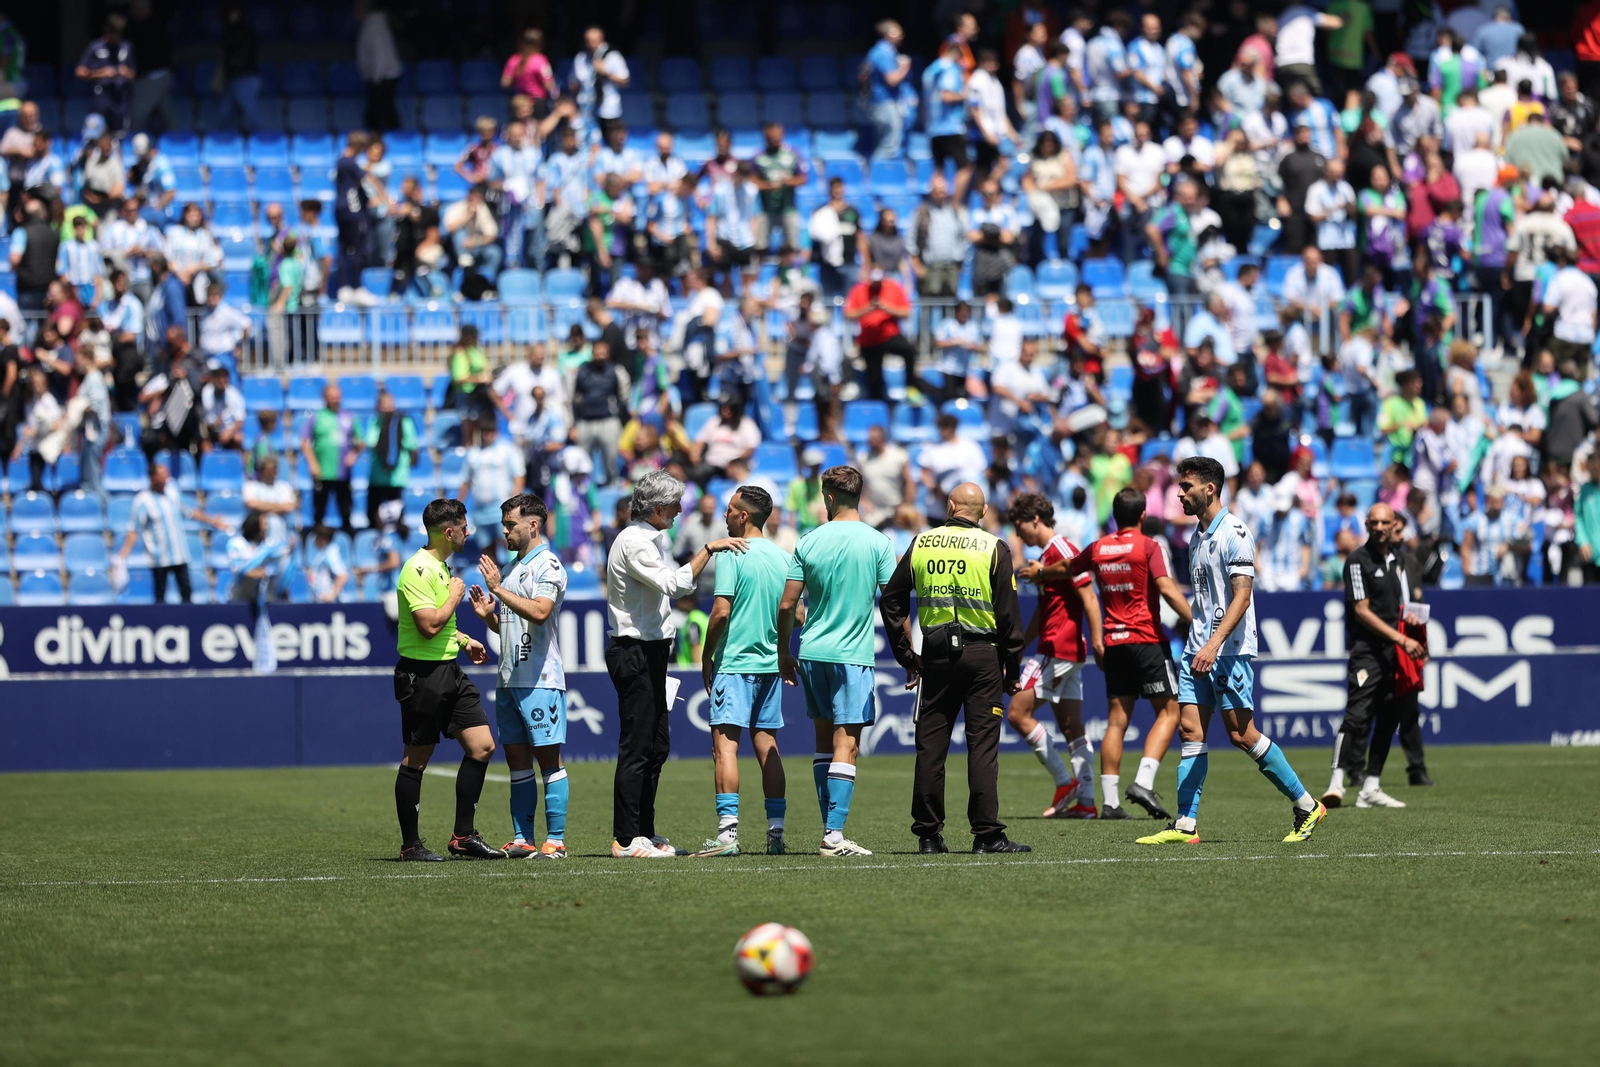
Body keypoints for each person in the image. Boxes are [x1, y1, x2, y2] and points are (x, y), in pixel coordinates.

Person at [1136, 456, 1328, 845]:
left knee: (1243, 735)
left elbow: (1242, 596)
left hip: (1228, 651)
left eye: (1186, 486)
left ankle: (1307, 805)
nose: (1179, 494)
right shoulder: (1196, 536)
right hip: (1198, 649)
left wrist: (1213, 642)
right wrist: (1198, 638)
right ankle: (1185, 825)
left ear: (1209, 489)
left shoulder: (1235, 532)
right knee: (1191, 731)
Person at [1025, 486, 1194, 820]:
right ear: (1143, 515)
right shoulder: (1149, 546)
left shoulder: (1099, 547)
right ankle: (1144, 781)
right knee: (1170, 713)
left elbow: (1068, 567)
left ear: (1115, 517)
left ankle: (1111, 803)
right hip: (1146, 640)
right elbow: (1165, 587)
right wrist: (1195, 620)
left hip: (1113, 644)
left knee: (1117, 721)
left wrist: (1040, 573)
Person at [880, 481, 1030, 855]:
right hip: (983, 657)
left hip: (934, 657)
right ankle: (986, 835)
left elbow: (891, 601)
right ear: (983, 512)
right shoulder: (993, 547)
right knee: (982, 746)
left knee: (930, 747)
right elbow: (1010, 617)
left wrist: (906, 655)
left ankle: (928, 836)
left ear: (949, 506)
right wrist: (1013, 670)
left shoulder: (920, 543)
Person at [605, 469, 748, 859]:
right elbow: (676, 585)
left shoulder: (652, 538)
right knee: (637, 747)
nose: (680, 510)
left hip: (650, 650)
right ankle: (625, 838)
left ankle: (644, 833)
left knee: (656, 746)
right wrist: (709, 549)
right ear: (657, 508)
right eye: (674, 505)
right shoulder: (634, 542)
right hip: (633, 649)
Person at [778, 466, 898, 857]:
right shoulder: (879, 543)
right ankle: (833, 836)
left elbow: (787, 604)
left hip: (812, 652)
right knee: (847, 745)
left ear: (829, 497)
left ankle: (830, 830)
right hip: (852, 655)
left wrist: (784, 652)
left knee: (823, 743)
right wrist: (909, 655)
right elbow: (894, 605)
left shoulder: (808, 541)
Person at [390, 498, 499, 862]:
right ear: (448, 532)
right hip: (422, 675)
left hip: (449, 669)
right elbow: (428, 626)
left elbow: (443, 629)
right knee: (417, 759)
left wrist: (465, 641)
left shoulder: (441, 567)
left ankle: (462, 836)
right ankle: (410, 847)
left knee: (482, 745)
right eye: (464, 527)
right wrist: (454, 597)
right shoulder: (417, 570)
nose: (469, 532)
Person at [689, 486, 791, 857]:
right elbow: (794, 614)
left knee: (724, 748)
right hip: (769, 665)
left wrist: (706, 656)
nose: (726, 515)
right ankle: (776, 834)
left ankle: (727, 836)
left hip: (734, 663)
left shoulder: (733, 551)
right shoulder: (784, 559)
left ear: (743, 516)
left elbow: (720, 612)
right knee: (768, 746)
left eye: (731, 510)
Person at [466, 494, 570, 860]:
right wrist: (488, 617)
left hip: (540, 679)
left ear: (533, 525)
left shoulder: (548, 565)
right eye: (504, 525)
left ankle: (555, 841)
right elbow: (510, 625)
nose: (505, 532)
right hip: (509, 679)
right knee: (517, 763)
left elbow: (540, 612)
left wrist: (497, 589)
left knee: (548, 762)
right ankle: (523, 838)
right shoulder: (512, 568)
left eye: (511, 525)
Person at [1324, 503, 1432, 810]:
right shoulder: (1358, 561)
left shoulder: (1400, 559)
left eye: (1386, 522)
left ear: (1394, 524)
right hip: (1367, 652)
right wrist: (1400, 638)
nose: (1380, 527)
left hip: (1395, 652)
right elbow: (1361, 610)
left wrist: (1411, 627)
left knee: (1389, 718)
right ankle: (1336, 783)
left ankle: (1371, 786)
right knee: (1356, 716)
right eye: (1374, 522)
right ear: (1367, 525)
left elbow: (1400, 603)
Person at [1002, 493, 1103, 819]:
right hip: (1064, 649)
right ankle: (1086, 803)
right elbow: (1045, 612)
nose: (1018, 535)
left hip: (1059, 647)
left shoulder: (1062, 551)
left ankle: (1064, 782)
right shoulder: (1048, 557)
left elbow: (1089, 597)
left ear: (1035, 519)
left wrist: (1098, 640)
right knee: (1072, 727)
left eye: (1020, 527)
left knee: (1017, 712)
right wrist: (1019, 643)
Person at [116, 459, 226, 604]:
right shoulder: (143, 500)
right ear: (152, 477)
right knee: (160, 595)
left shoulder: (172, 493)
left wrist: (212, 520)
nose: (165, 478)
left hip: (179, 554)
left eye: (166, 475)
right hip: (159, 557)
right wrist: (123, 554)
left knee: (186, 592)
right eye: (161, 475)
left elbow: (190, 512)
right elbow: (134, 530)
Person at [843, 270, 914, 402]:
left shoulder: (894, 288)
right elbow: (848, 315)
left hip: (889, 335)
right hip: (869, 340)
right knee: (874, 380)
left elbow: (906, 313)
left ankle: (912, 387)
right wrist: (867, 308)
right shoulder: (859, 290)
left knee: (908, 350)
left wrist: (885, 307)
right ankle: (879, 406)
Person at [301, 383, 359, 534]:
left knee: (345, 509)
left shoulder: (348, 417)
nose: (335, 399)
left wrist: (354, 454)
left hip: (343, 473)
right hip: (322, 472)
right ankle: (317, 537)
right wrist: (313, 463)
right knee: (319, 509)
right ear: (325, 398)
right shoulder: (317, 417)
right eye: (331, 396)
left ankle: (348, 539)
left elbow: (361, 441)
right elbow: (305, 442)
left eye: (337, 395)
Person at [363, 389, 416, 531]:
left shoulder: (404, 421)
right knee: (373, 516)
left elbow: (412, 444)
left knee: (396, 517)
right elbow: (370, 442)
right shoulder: (374, 421)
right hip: (377, 477)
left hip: (396, 478)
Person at [75, 14, 136, 134]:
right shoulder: (95, 47)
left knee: (119, 134)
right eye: (114, 32)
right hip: (102, 97)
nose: (117, 36)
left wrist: (125, 72)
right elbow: (79, 71)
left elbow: (133, 74)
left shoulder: (126, 47)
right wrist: (102, 73)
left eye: (119, 33)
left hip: (120, 99)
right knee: (99, 133)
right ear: (107, 28)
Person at [864, 20, 912, 161]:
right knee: (889, 144)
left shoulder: (885, 51)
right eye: (897, 32)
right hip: (884, 102)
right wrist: (904, 67)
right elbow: (892, 80)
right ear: (886, 34)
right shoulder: (882, 52)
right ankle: (876, 177)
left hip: (885, 102)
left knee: (888, 142)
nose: (901, 35)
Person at [356, 1, 402, 131]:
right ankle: (378, 143)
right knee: (376, 114)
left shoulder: (374, 25)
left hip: (382, 76)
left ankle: (390, 144)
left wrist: (377, 77)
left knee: (382, 114)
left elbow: (379, 52)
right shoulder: (372, 23)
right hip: (380, 76)